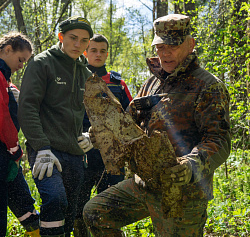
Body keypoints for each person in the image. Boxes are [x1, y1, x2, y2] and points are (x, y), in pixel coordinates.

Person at [82, 14, 231, 236]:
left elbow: (218, 140)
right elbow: (132, 127)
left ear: (190, 45)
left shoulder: (208, 86)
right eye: (160, 46)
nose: (165, 52)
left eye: (174, 45)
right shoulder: (151, 82)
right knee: (95, 213)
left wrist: (190, 166)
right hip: (145, 184)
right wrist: (105, 134)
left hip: (183, 193)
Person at [18, 16, 94, 237]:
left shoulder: (86, 74)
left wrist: (92, 135)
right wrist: (41, 147)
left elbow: (98, 116)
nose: (78, 44)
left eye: (83, 40)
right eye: (73, 38)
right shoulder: (42, 63)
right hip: (46, 151)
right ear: (61, 37)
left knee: (71, 209)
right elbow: (27, 107)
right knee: (54, 198)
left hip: (75, 153)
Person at [73, 34, 133, 237]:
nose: (98, 54)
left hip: (112, 155)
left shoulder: (117, 83)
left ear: (107, 53)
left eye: (102, 51)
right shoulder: (75, 78)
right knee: (78, 206)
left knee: (109, 209)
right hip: (81, 153)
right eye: (93, 50)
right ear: (85, 52)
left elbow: (130, 118)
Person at [0, 31, 39, 237]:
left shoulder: (7, 82)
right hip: (4, 151)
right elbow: (3, 117)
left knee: (23, 201)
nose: (22, 65)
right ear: (8, 50)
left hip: (7, 154)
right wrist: (15, 151)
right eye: (21, 59)